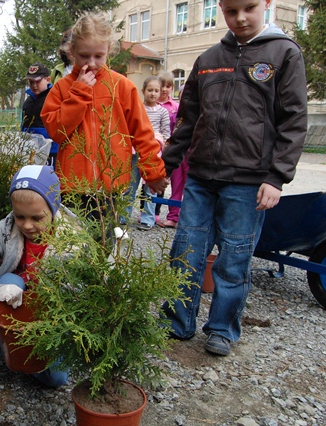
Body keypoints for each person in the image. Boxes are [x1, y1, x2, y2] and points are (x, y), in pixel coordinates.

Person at [161, 0, 307, 356]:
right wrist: (165, 164)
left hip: (248, 181)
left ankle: (223, 329)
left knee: (234, 258)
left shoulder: (284, 54)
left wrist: (277, 177)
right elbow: (188, 119)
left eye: (249, 7)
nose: (240, 17)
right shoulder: (209, 59)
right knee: (186, 252)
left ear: (266, 4)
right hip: (200, 177)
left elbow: (293, 120)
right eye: (230, 10)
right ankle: (177, 322)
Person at [0, 165, 70, 394]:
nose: (27, 225)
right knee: (9, 279)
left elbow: (82, 289)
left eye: (37, 217)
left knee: (56, 378)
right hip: (11, 302)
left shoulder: (73, 239)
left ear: (54, 209)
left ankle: (16, 352)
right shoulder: (6, 230)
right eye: (20, 216)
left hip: (47, 312)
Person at [41, 12, 168, 217]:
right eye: (84, 56)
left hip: (113, 188)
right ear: (72, 51)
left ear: (109, 50)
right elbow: (57, 132)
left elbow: (143, 133)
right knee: (76, 246)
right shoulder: (62, 88)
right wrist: (79, 93)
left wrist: (153, 172)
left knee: (107, 244)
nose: (91, 63)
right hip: (73, 189)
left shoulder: (122, 86)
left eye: (98, 56)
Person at [138, 76, 170, 231]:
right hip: (135, 150)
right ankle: (122, 216)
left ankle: (148, 217)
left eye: (156, 90)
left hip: (154, 151)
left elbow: (166, 133)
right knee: (130, 184)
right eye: (150, 90)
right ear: (143, 91)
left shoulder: (163, 112)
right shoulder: (138, 108)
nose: (153, 93)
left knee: (150, 187)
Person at [157, 72, 184, 228]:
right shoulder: (153, 105)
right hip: (162, 149)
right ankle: (152, 213)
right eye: (163, 86)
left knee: (180, 185)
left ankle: (177, 216)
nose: (165, 89)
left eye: (168, 86)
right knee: (160, 181)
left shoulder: (176, 107)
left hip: (179, 150)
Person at [21, 63, 58, 168]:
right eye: (31, 82)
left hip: (51, 151)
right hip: (30, 151)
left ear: (48, 80)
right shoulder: (28, 101)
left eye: (37, 81)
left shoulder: (54, 97)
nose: (34, 85)